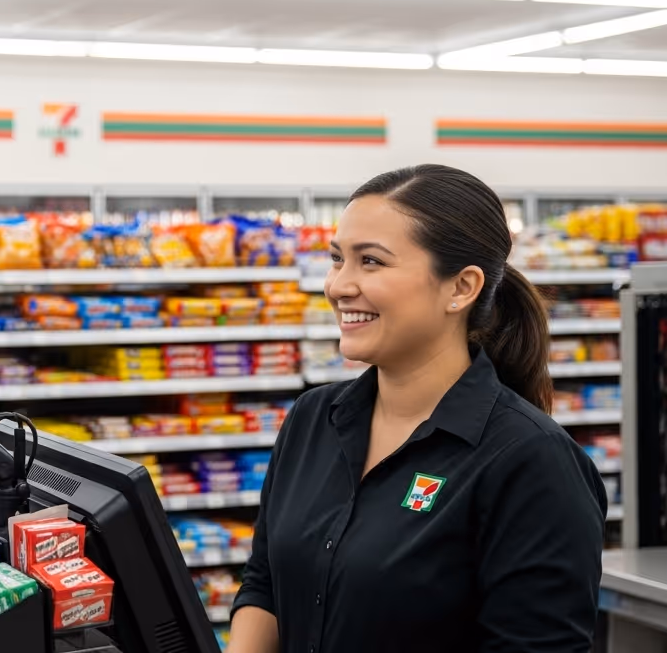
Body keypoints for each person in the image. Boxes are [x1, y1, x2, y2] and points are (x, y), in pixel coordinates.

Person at [227, 165, 606, 653]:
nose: (339, 285)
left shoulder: (532, 461)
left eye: (371, 262)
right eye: (337, 259)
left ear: (461, 288)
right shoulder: (312, 419)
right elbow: (265, 582)